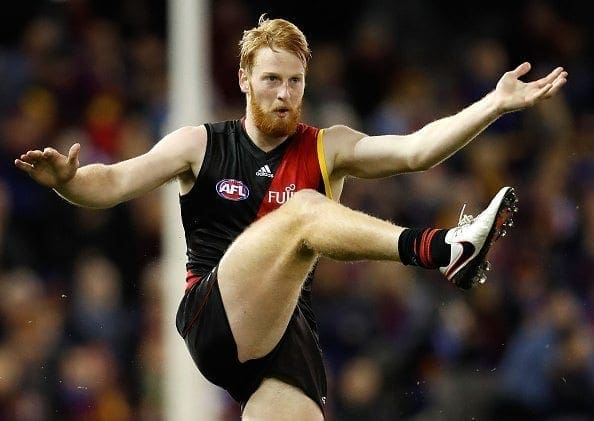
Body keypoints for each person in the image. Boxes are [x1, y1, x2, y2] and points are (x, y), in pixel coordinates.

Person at [14, 15, 567, 421]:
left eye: (295, 82)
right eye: (272, 79)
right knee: (304, 210)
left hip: (285, 343)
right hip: (213, 316)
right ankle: (442, 249)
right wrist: (68, 181)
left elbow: (416, 151)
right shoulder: (201, 145)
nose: (284, 94)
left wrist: (493, 105)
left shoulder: (327, 146)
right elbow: (110, 183)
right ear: (244, 81)